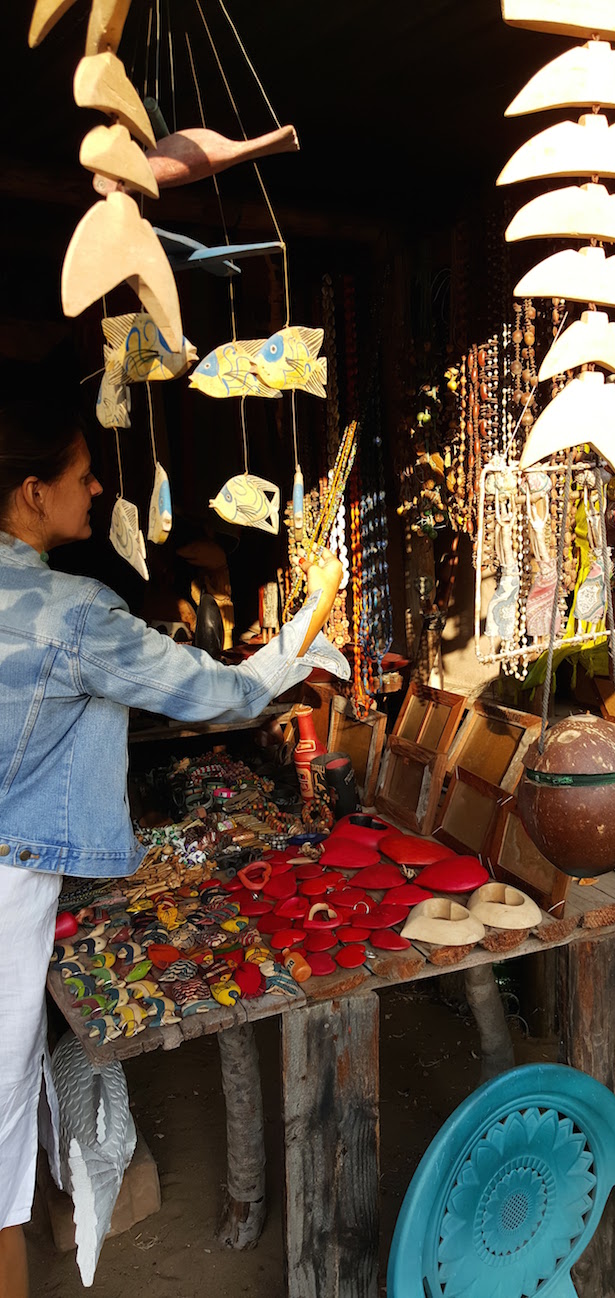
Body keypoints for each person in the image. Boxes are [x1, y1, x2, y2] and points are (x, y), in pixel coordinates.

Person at [0, 400, 348, 1297]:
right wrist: (304, 629)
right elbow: (219, 694)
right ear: (32, 492)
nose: (99, 485)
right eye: (83, 476)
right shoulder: (68, 612)